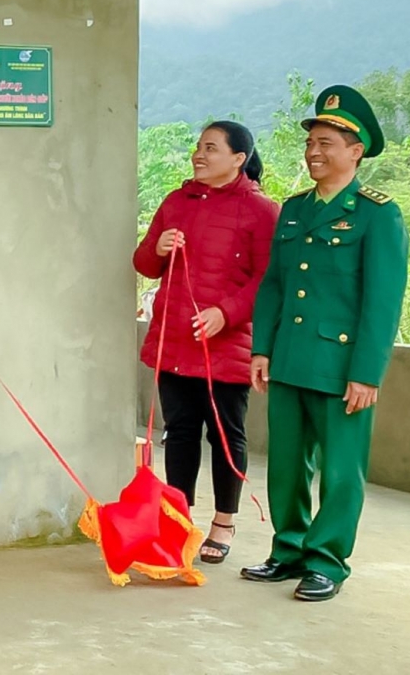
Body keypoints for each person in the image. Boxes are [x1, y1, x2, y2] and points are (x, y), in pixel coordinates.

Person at [241, 86, 408, 601]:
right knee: (287, 465)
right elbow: (274, 285)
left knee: (339, 472)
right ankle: (288, 551)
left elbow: (382, 303)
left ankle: (328, 562)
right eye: (311, 142)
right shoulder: (293, 210)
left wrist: (366, 373)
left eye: (327, 143)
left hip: (341, 367)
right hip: (290, 358)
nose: (315, 151)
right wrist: (262, 348)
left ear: (355, 151)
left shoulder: (378, 215)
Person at [133, 121, 280, 564]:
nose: (199, 155)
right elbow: (144, 264)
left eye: (211, 148)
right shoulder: (176, 201)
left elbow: (268, 279)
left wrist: (226, 313)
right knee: (178, 434)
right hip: (174, 340)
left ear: (238, 159)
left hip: (225, 345)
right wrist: (157, 246)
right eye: (198, 147)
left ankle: (224, 521)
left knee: (224, 435)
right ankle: (180, 520)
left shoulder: (261, 211)